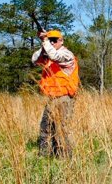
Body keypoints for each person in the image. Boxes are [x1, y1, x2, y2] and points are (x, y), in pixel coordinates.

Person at [32, 29, 80, 157]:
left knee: (61, 129)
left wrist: (45, 41)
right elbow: (35, 60)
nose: (52, 43)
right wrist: (43, 44)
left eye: (54, 40)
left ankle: (65, 157)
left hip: (64, 98)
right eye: (50, 40)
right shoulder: (48, 55)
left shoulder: (67, 55)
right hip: (52, 99)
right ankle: (45, 156)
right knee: (46, 127)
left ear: (61, 41)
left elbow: (55, 56)